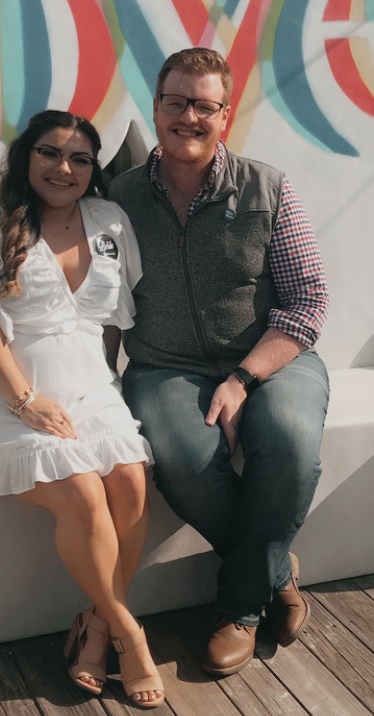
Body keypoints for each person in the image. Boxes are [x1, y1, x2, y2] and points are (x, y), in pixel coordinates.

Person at [109, 48, 329, 677]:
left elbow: (308, 300)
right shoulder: (119, 200)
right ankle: (274, 573)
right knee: (184, 460)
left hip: (272, 357)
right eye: (176, 102)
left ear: (225, 116)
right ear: (156, 107)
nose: (189, 116)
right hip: (163, 365)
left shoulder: (268, 188)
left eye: (204, 105)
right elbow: (100, 299)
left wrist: (242, 379)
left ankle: (239, 608)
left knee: (288, 442)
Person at [0, 110, 164, 707]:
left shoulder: (109, 220)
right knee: (82, 492)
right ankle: (129, 632)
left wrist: (107, 395)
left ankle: (96, 626)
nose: (65, 168)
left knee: (131, 481)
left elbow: (112, 323)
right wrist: (26, 401)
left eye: (80, 159)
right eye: (50, 153)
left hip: (89, 387)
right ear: (25, 157)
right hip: (4, 393)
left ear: (94, 169)